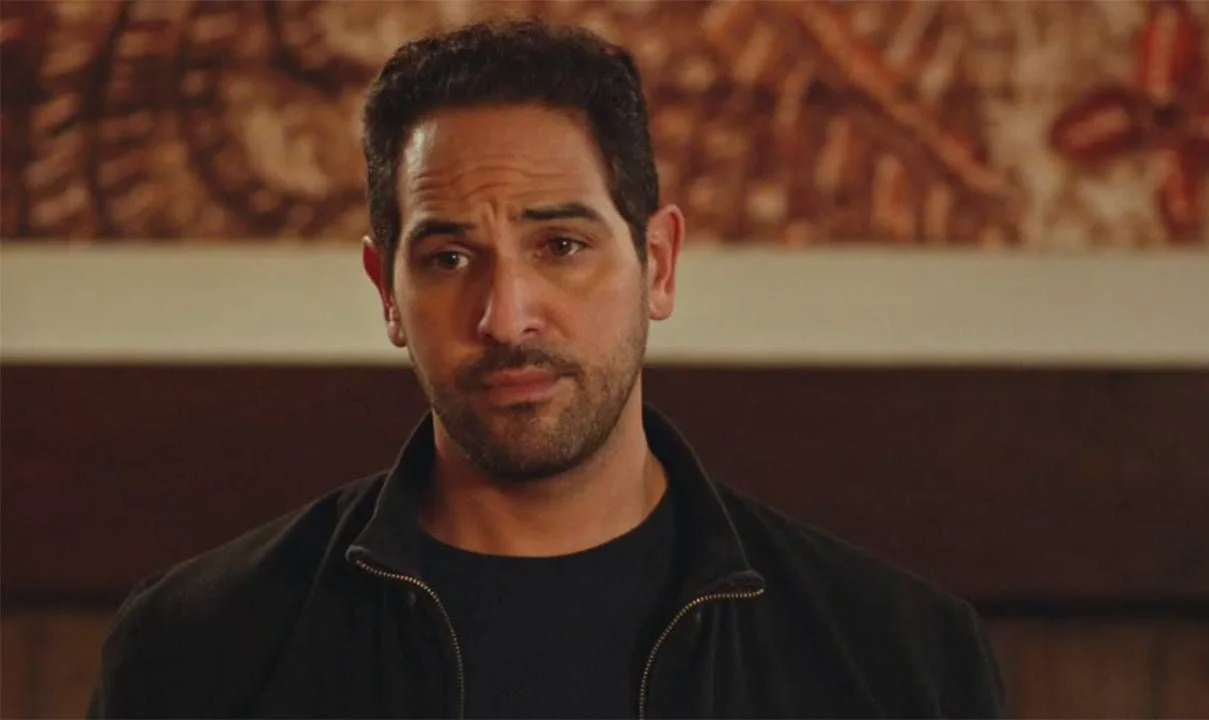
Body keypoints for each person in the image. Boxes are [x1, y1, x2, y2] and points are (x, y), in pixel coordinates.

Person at [89, 20, 1005, 719]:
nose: (506, 316)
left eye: (561, 245)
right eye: (449, 258)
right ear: (386, 291)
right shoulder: (201, 650)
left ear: (659, 265)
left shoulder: (898, 662)